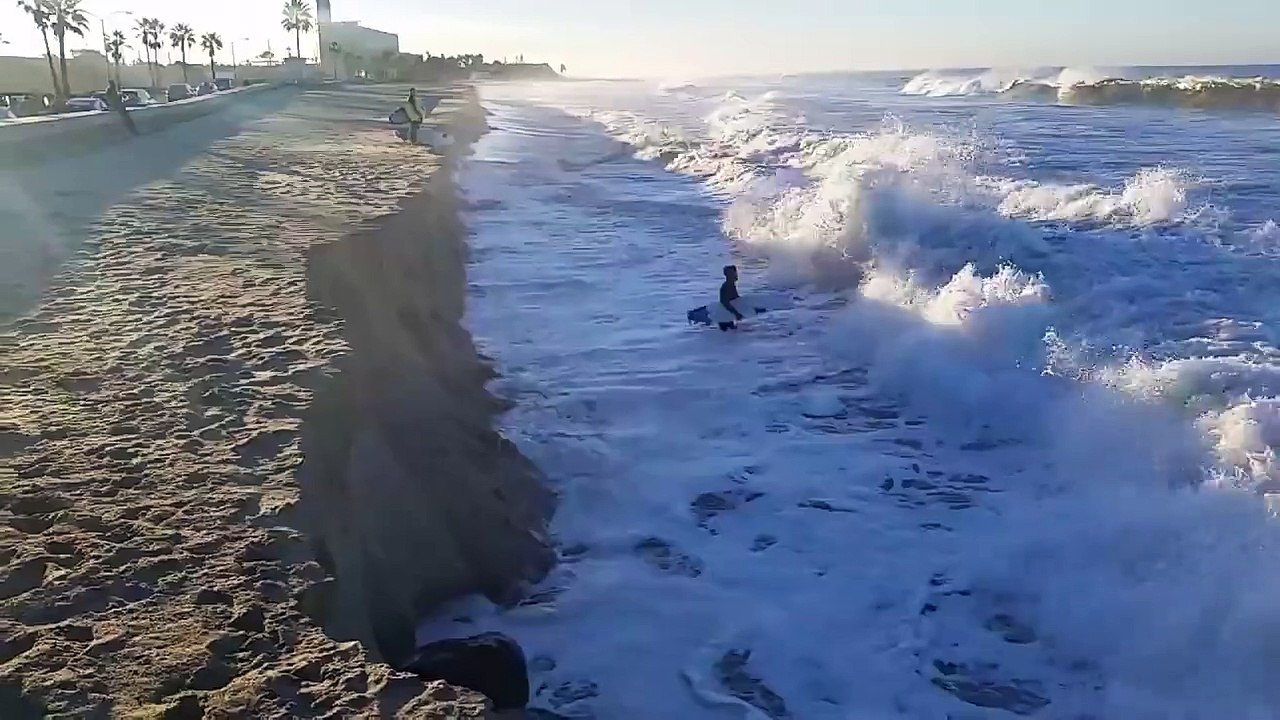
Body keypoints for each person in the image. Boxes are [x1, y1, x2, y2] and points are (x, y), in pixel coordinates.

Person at [718, 264, 744, 331]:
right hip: (724, 318)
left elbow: (735, 300)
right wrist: (736, 314)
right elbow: (725, 303)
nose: (736, 275)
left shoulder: (731, 285)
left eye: (735, 273)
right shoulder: (727, 287)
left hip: (728, 317)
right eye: (733, 274)